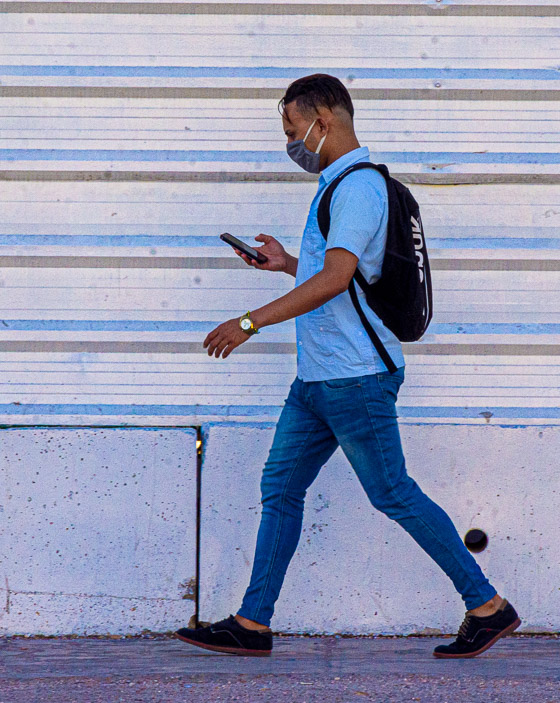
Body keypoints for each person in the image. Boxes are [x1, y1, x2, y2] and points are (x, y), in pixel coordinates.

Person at [176, 74, 520, 659]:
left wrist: (250, 322)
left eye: (292, 130)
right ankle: (252, 623)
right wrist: (288, 263)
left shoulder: (359, 188)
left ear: (324, 120)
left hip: (355, 377)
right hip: (318, 379)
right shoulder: (336, 185)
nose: (291, 143)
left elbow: (336, 280)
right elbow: (347, 279)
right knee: (281, 488)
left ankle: (487, 606)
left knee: (392, 493)